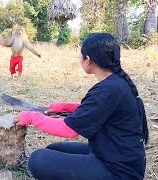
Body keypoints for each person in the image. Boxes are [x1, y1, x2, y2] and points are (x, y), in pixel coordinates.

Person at [14, 33, 148, 180]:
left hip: (118, 172)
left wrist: (32, 117)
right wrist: (65, 107)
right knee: (53, 149)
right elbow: (97, 109)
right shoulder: (116, 83)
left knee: (38, 160)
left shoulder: (108, 89)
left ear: (88, 60)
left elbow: (68, 130)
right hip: (115, 155)